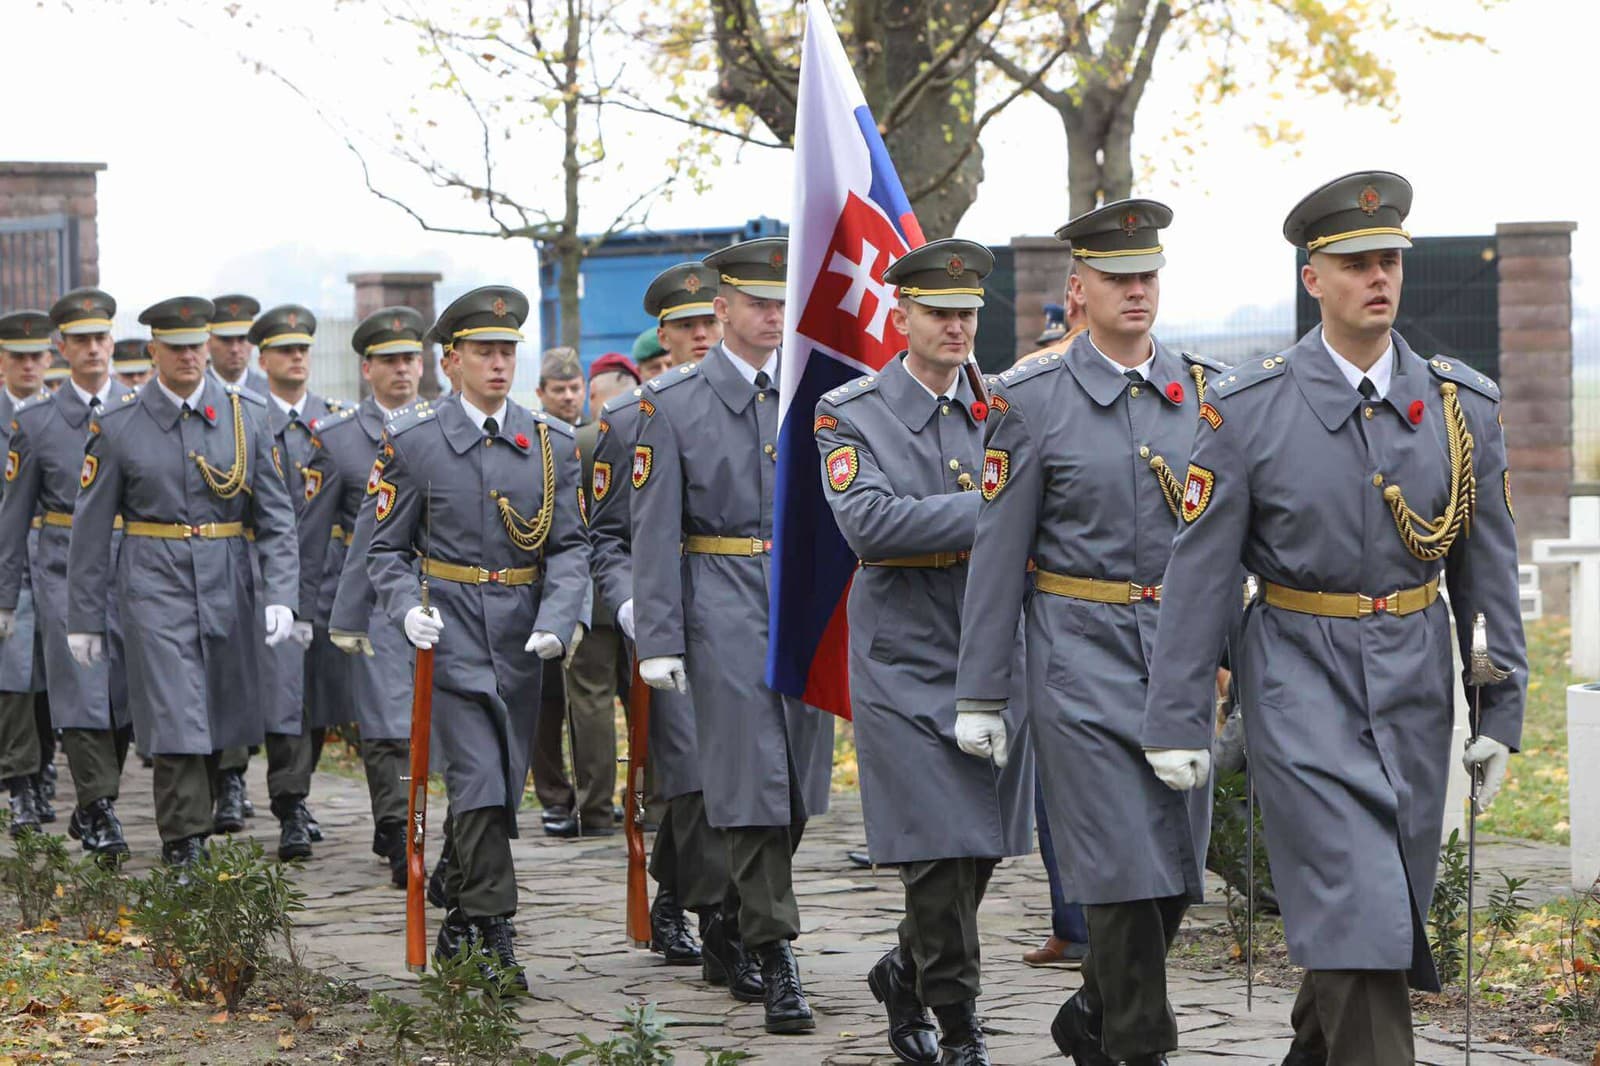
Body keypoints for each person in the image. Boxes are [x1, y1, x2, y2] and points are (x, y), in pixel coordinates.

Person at [1142, 171, 1527, 1066]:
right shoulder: (1246, 408)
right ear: (1313, 278)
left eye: (1389, 260)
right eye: (1356, 263)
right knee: (1358, 899)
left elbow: (1488, 568)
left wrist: (1498, 710)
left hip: (1415, 683)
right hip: (1296, 675)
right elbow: (1200, 573)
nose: (1378, 277)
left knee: (1381, 891)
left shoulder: (1461, 408)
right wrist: (1176, 717)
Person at [955, 200, 1222, 1066]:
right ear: (1079, 290)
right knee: (1118, 869)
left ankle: (1090, 1012)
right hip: (1076, 651)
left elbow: (1229, 542)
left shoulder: (1207, 394)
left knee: (1177, 867)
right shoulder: (1030, 400)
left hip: (1178, 654)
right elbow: (998, 553)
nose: (1137, 291)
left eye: (1148, 276)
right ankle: (1140, 1045)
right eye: (1118, 278)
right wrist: (982, 692)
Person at [814, 238, 1034, 1065]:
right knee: (938, 850)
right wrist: (1000, 509)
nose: (956, 326)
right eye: (939, 312)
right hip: (903, 652)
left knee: (979, 843)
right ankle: (961, 1024)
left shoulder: (1007, 406)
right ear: (899, 314)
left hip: (994, 645)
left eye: (968, 313)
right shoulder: (850, 410)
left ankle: (905, 970)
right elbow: (869, 522)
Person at [632, 238, 834, 1034]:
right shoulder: (673, 404)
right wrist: (659, 635)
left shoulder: (819, 391)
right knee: (751, 783)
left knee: (798, 787)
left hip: (802, 600)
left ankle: (732, 919)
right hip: (718, 599)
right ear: (723, 309)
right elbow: (653, 532)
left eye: (782, 303)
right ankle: (778, 953)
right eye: (757, 302)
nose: (772, 316)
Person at [366, 285, 588, 989]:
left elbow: (571, 547)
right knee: (481, 779)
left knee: (500, 782)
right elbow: (384, 549)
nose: (499, 365)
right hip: (450, 629)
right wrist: (405, 607)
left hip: (522, 636)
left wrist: (560, 619)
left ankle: (460, 895)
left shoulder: (549, 442)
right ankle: (494, 925)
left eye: (508, 352)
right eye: (485, 352)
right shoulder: (413, 439)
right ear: (451, 358)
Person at [66, 296, 299, 871]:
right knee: (175, 710)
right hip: (154, 576)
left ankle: (215, 807)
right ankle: (183, 839)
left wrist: (282, 596)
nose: (190, 357)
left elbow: (275, 517)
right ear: (153, 351)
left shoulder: (246, 415)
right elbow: (91, 529)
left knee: (221, 707)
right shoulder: (119, 424)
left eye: (197, 346)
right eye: (176, 348)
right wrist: (84, 619)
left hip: (226, 574)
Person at [591, 262, 754, 985]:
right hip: (666, 615)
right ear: (662, 335)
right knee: (691, 772)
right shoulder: (632, 418)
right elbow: (602, 536)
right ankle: (720, 920)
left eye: (707, 323)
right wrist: (628, 602)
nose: (698, 336)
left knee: (729, 774)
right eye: (684, 326)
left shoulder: (757, 404)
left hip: (739, 612)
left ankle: (678, 897)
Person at [0, 289, 135, 861]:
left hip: (134, 561)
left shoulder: (140, 408)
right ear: (62, 348)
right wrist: (7, 597)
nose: (93, 349)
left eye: (101, 338)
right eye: (80, 340)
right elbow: (12, 517)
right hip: (59, 560)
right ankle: (100, 807)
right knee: (80, 686)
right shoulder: (36, 423)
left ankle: (91, 799)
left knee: (126, 693)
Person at [307, 306, 427, 886]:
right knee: (386, 723)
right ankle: (402, 831)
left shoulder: (440, 426)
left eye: (410, 358)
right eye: (390, 360)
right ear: (366, 368)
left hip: (440, 591)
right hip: (375, 595)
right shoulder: (336, 439)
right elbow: (313, 530)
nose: (402, 369)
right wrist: (309, 605)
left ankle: (416, 826)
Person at [245, 305, 342, 861]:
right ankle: (290, 803)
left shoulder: (332, 419)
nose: (297, 358)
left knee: (321, 695)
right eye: (285, 350)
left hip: (327, 573)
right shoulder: (249, 416)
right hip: (271, 573)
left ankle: (298, 792)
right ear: (264, 359)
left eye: (303, 348)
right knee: (284, 694)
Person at [1019, 276, 1092, 971]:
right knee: (1056, 786)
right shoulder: (1032, 391)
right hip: (1052, 607)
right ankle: (1072, 921)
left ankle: (1095, 922)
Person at [529, 346, 608, 838]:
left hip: (590, 588)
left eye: (573, 387)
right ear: (541, 393)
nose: (566, 395)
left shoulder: (583, 440)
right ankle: (558, 796)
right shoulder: (536, 441)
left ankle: (589, 802)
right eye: (557, 389)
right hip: (553, 588)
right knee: (548, 704)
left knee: (586, 702)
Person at [206, 293, 264, 828]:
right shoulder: (200, 400)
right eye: (225, 339)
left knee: (235, 675)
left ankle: (233, 776)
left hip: (247, 556)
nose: (236, 348)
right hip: (198, 554)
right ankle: (212, 775)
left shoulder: (261, 404)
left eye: (244, 338)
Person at [0, 312, 53, 834]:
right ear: (2, 363)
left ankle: (44, 768)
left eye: (37, 356)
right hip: (6, 557)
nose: (29, 365)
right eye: (18, 357)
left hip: (57, 555)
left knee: (51, 673)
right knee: (13, 676)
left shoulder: (63, 414)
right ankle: (20, 784)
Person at [207, 294, 268, 393]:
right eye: (225, 340)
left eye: (242, 339)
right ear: (208, 342)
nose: (235, 349)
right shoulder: (194, 391)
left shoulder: (271, 393)